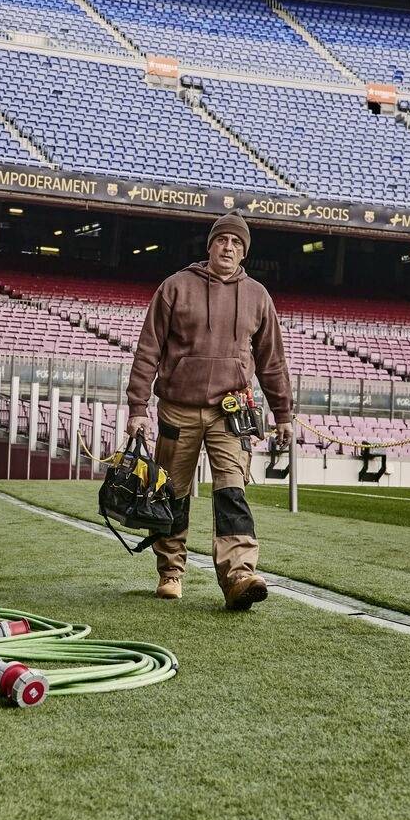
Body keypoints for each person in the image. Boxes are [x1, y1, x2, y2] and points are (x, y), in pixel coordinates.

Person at [124, 213, 293, 609]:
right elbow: (148, 349)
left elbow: (272, 363)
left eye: (236, 243)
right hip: (177, 410)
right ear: (210, 245)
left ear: (244, 251)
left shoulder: (258, 296)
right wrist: (137, 406)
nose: (228, 248)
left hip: (230, 413)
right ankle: (170, 572)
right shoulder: (175, 287)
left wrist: (283, 413)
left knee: (232, 492)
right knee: (173, 493)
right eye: (222, 241)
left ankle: (239, 576)